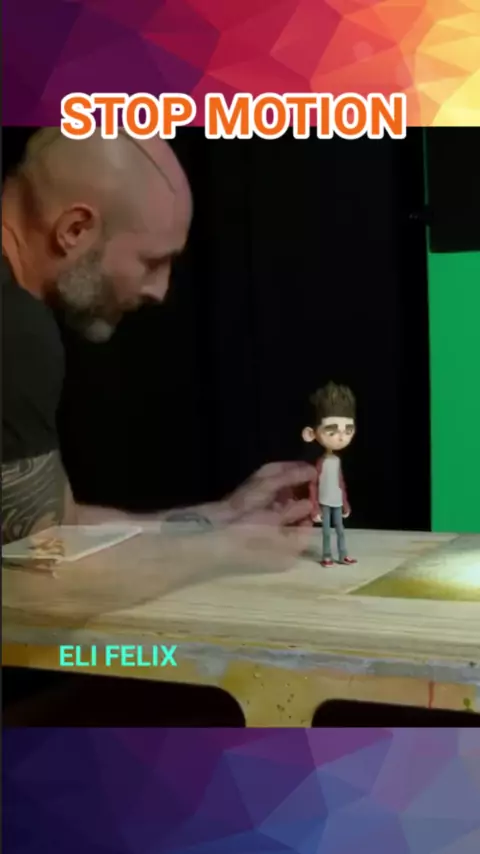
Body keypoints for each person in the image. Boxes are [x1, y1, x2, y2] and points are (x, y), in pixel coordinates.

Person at [2, 129, 315, 602]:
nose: (160, 290)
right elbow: (39, 581)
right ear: (75, 230)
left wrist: (218, 519)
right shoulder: (14, 330)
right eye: (152, 262)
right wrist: (227, 551)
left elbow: (50, 528)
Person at [302, 381, 357, 566]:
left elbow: (340, 484)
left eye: (348, 431)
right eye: (332, 432)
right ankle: (326, 555)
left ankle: (342, 554)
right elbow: (313, 485)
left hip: (337, 502)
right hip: (324, 503)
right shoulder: (320, 463)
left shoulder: (336, 461)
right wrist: (314, 508)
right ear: (311, 434)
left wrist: (345, 504)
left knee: (340, 530)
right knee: (326, 531)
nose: (341, 437)